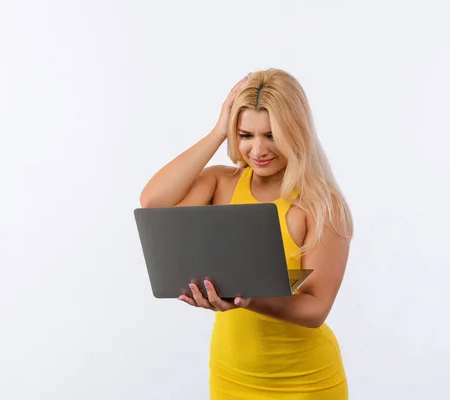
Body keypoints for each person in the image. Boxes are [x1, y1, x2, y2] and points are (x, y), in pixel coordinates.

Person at [139, 68, 354, 399]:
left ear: (296, 133)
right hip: (231, 376)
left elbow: (316, 309)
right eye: (245, 135)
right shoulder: (220, 184)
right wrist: (217, 133)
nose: (258, 150)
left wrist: (249, 299)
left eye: (271, 135)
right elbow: (153, 202)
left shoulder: (321, 205)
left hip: (305, 381)